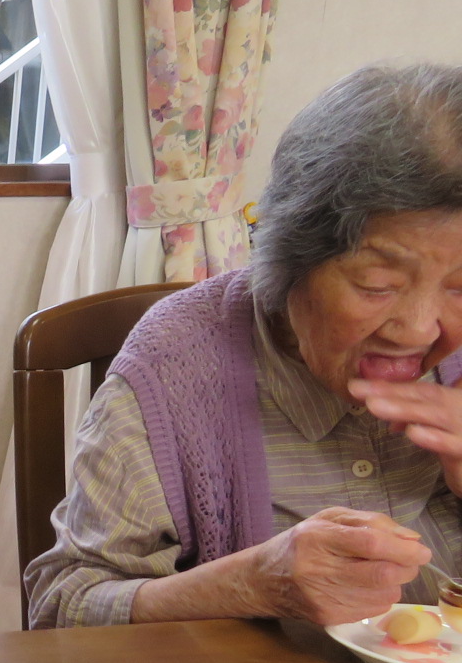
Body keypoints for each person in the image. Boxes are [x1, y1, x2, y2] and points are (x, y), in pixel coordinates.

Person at [26, 62, 462, 628]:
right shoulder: (177, 367)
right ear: (289, 257)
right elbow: (60, 609)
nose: (420, 329)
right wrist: (247, 585)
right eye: (377, 285)